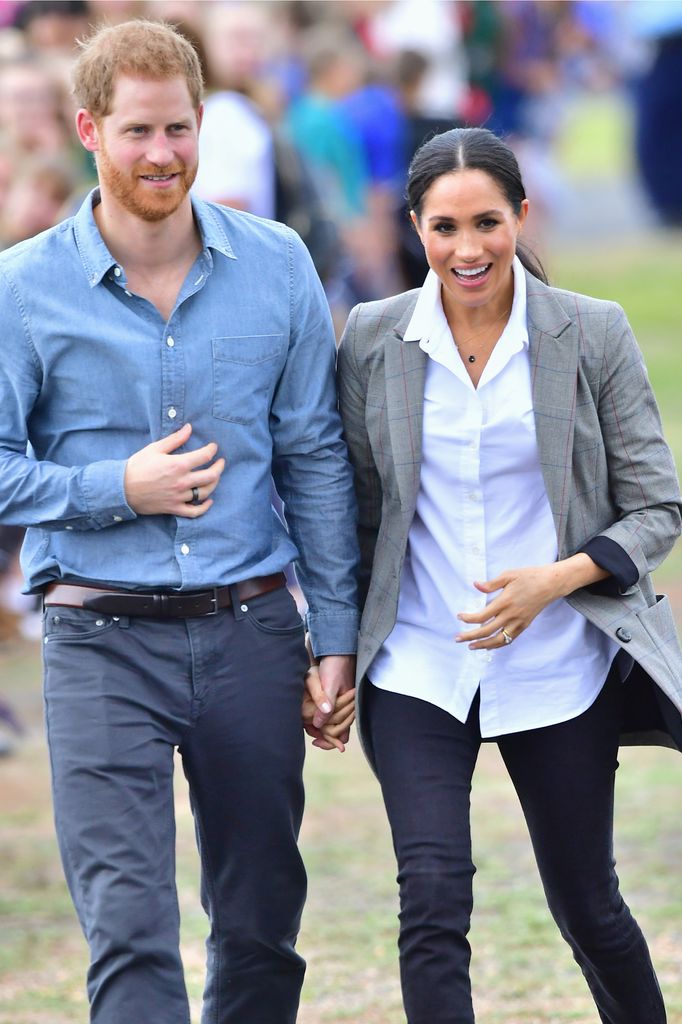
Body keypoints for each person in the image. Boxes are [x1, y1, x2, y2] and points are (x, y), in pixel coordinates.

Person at [0, 19, 358, 1024]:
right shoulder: (21, 288)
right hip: (97, 637)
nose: (161, 154)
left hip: (252, 632)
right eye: (136, 132)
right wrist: (118, 487)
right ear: (88, 130)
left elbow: (315, 457)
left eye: (177, 129)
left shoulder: (278, 264)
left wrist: (334, 636)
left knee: (260, 927)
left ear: (202, 122)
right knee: (128, 931)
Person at [335, 126, 682, 1023]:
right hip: (418, 661)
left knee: (589, 907)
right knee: (431, 897)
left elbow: (657, 507)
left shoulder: (590, 331)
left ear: (521, 216)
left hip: (559, 664)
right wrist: (329, 649)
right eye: (444, 227)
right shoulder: (372, 338)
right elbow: (352, 515)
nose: (468, 249)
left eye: (487, 222)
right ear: (416, 227)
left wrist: (556, 581)